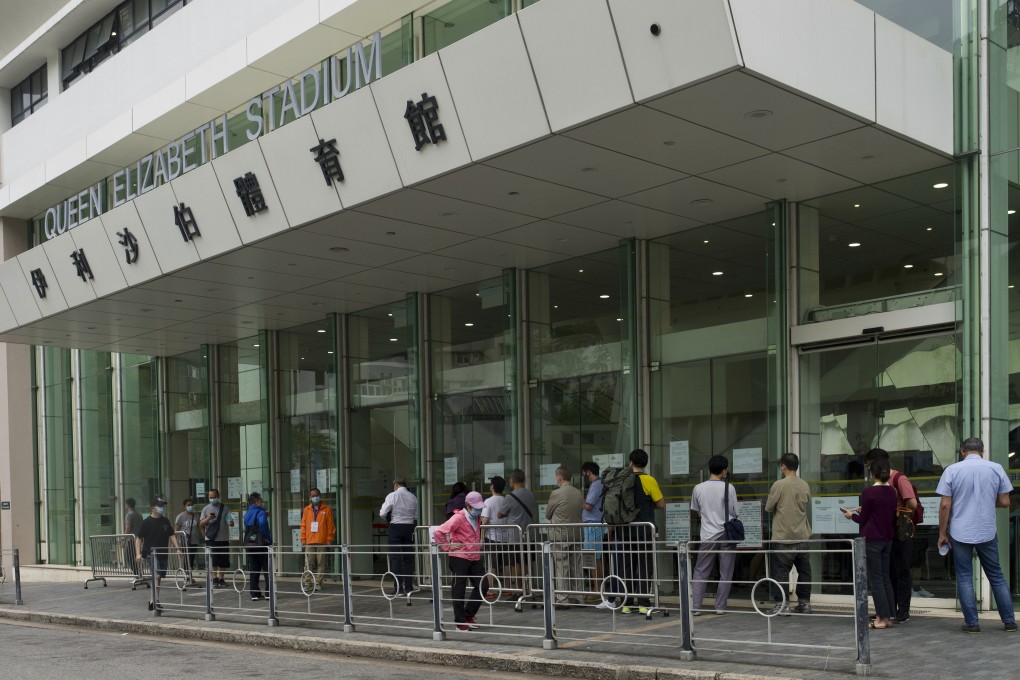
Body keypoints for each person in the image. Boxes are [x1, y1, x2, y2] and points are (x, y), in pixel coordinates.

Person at [936, 437, 1016, 633]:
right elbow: (1005, 502)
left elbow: (946, 504)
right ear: (982, 452)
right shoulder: (996, 468)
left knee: (964, 577)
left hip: (960, 531)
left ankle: (972, 624)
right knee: (996, 575)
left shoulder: (952, 470)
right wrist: (988, 501)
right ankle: (1009, 622)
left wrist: (942, 533)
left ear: (963, 452)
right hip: (987, 530)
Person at [842, 458, 897, 629]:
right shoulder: (893, 492)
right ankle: (889, 616)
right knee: (885, 577)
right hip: (888, 538)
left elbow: (864, 519)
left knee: (876, 579)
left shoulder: (868, 492)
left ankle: (881, 617)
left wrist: (851, 516)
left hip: (872, 539)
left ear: (872, 473)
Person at [865, 447, 917, 623]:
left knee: (902, 570)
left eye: (869, 464)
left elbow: (912, 503)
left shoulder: (899, 478)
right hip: (887, 532)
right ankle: (887, 609)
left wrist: (894, 512)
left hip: (900, 531)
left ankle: (903, 610)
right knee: (889, 572)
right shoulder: (881, 483)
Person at [610, 449, 665, 615]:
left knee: (625, 566)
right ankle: (643, 604)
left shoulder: (621, 480)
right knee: (644, 566)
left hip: (624, 530)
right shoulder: (649, 480)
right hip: (643, 530)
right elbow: (661, 504)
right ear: (645, 464)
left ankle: (626, 603)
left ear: (630, 462)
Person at [765, 453, 813, 615]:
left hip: (783, 536)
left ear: (783, 466)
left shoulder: (779, 485)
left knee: (781, 572)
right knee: (805, 571)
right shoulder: (804, 484)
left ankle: (782, 605)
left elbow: (769, 507)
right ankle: (804, 603)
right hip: (802, 534)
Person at [690, 454, 738, 616]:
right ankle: (720, 607)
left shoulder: (698, 488)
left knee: (701, 570)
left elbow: (697, 512)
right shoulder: (729, 488)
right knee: (726, 571)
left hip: (707, 534)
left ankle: (696, 607)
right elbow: (734, 512)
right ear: (724, 471)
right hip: (726, 533)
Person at [434, 490, 487, 631]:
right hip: (459, 557)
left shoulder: (476, 517)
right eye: (477, 507)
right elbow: (439, 531)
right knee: (459, 589)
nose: (479, 510)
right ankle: (460, 621)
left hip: (474, 556)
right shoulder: (458, 518)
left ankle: (468, 614)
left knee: (483, 585)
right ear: (468, 506)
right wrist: (447, 546)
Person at [545, 466, 583, 608]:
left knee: (562, 566)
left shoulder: (556, 493)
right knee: (577, 567)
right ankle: (579, 597)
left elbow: (548, 514)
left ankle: (562, 598)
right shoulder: (578, 493)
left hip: (560, 535)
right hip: (577, 534)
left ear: (559, 478)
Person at [135, 496, 179, 611]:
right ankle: (153, 600)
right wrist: (138, 554)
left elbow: (171, 534)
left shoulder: (165, 521)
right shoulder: (146, 522)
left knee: (159, 578)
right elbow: (139, 538)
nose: (161, 508)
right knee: (157, 575)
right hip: (150, 553)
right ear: (152, 507)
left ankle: (154, 599)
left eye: (162, 505)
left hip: (163, 552)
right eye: (159, 506)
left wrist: (177, 548)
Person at [498, 468, 537, 592]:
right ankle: (528, 587)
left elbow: (500, 514)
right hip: (529, 534)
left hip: (515, 536)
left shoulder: (510, 497)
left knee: (516, 563)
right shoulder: (530, 494)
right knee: (526, 562)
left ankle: (520, 589)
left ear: (512, 480)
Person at [378, 477, 418, 595]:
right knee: (408, 558)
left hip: (395, 527)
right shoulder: (413, 497)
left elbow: (382, 513)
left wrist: (390, 518)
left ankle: (398, 588)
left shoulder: (392, 496)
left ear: (395, 484)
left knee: (395, 558)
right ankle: (409, 587)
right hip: (409, 527)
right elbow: (416, 515)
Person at [300, 486, 337, 592]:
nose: (315, 497)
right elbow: (303, 525)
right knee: (308, 563)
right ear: (310, 497)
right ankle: (308, 583)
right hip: (309, 541)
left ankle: (318, 583)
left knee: (321, 563)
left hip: (322, 541)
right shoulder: (306, 510)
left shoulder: (327, 509)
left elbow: (331, 526)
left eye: (316, 495)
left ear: (320, 496)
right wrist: (303, 539)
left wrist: (329, 539)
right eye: (313, 496)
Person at [580, 461, 606, 604]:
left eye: (584, 474)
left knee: (593, 557)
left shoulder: (596, 485)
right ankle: (597, 587)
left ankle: (597, 589)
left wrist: (580, 499)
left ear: (588, 472)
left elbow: (588, 506)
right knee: (595, 556)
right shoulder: (597, 484)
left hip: (593, 523)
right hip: (592, 523)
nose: (584, 477)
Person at [480, 475, 509, 598]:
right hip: (507, 536)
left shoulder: (488, 501)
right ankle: (507, 588)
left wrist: (481, 537)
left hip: (492, 537)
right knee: (506, 563)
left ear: (492, 486)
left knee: (492, 564)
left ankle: (490, 589)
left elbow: (485, 520)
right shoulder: (506, 500)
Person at [200, 488, 235, 589]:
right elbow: (201, 523)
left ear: (218, 496)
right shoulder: (205, 509)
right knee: (213, 559)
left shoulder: (225, 508)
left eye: (214, 497)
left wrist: (231, 522)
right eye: (211, 497)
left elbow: (230, 521)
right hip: (211, 538)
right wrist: (208, 518)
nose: (212, 499)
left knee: (223, 559)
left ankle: (221, 578)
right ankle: (214, 578)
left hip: (223, 538)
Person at [243, 491, 272, 601]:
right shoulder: (260, 512)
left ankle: (254, 593)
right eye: (261, 501)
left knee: (254, 568)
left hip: (251, 544)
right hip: (261, 544)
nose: (262, 503)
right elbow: (263, 524)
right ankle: (269, 592)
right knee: (267, 568)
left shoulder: (247, 513)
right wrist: (267, 538)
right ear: (257, 502)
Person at [174, 497, 201, 584]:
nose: (190, 506)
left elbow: (199, 528)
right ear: (184, 507)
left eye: (191, 505)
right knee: (187, 559)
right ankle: (187, 576)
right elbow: (176, 530)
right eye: (188, 505)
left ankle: (189, 576)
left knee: (191, 558)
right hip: (184, 541)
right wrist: (174, 543)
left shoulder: (196, 516)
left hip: (194, 541)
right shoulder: (180, 516)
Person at [123, 497, 144, 576]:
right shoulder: (139, 515)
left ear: (127, 505)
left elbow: (128, 528)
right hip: (139, 539)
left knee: (129, 557)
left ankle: (136, 573)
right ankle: (139, 573)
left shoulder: (129, 515)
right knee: (136, 556)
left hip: (132, 540)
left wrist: (123, 539)